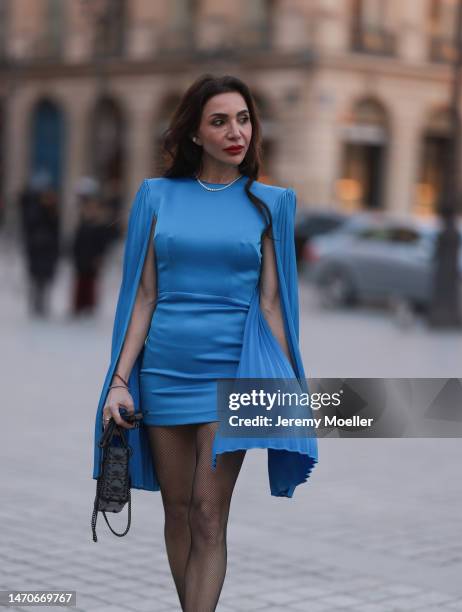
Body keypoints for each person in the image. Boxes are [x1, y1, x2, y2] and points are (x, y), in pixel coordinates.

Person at [92, 74, 318, 611]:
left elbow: (272, 305)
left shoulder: (271, 203)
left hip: (232, 374)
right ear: (195, 133)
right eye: (219, 120)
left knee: (207, 513)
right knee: (176, 511)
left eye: (243, 119)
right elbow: (144, 296)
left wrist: (287, 388)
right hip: (165, 373)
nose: (235, 131)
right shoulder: (156, 195)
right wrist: (119, 382)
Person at [19, 170, 60, 317]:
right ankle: (35, 304)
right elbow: (28, 226)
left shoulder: (52, 209)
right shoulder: (32, 207)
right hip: (36, 250)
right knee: (36, 279)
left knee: (45, 280)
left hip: (47, 251)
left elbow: (56, 229)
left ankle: (43, 304)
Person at [71, 178, 111, 316]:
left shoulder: (99, 224)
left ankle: (89, 306)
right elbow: (76, 241)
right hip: (81, 257)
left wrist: (100, 256)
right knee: (80, 283)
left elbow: (102, 242)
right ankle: (78, 306)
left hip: (92, 258)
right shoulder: (82, 223)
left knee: (90, 283)